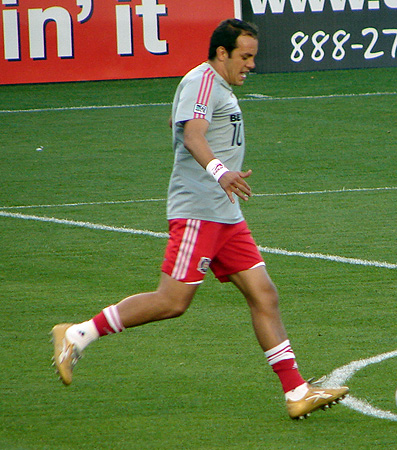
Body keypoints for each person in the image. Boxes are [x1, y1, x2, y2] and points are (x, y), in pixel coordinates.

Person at [51, 18, 348, 420]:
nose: (251, 65)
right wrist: (220, 172)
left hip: (226, 215)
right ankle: (76, 334)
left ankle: (296, 391)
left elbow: (188, 127)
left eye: (253, 57)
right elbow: (193, 135)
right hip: (198, 213)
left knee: (264, 294)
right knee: (172, 301)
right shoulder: (202, 81)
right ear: (221, 53)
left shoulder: (215, 86)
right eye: (244, 57)